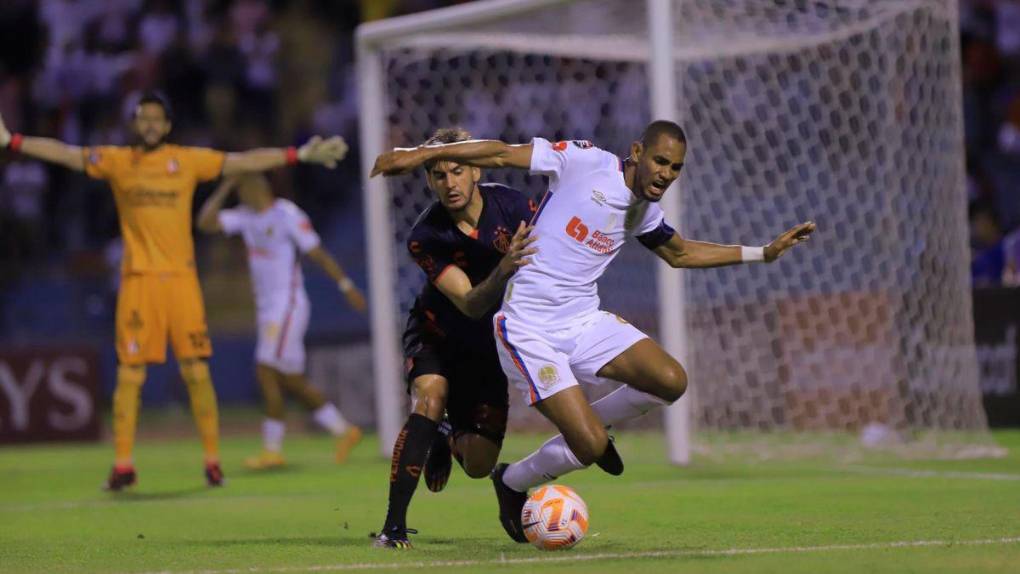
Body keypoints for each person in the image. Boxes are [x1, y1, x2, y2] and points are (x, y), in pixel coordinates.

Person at [371, 120, 815, 542]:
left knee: (670, 381)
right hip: (527, 328)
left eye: (675, 168)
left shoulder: (643, 209)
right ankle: (521, 478)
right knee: (586, 445)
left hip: (583, 320)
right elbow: (503, 153)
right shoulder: (586, 161)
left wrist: (763, 253)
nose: (666, 174)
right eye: (660, 162)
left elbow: (680, 254)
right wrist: (419, 155)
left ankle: (522, 471)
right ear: (637, 152)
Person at [0, 92, 347, 490]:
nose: (149, 124)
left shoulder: (186, 160)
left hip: (181, 282)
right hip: (139, 282)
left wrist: (297, 155)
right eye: (143, 118)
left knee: (196, 371)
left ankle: (213, 463)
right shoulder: (118, 161)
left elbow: (242, 161)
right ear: (135, 123)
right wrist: (13, 142)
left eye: (156, 119)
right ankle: (123, 464)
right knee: (131, 374)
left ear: (166, 126)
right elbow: (66, 153)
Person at [374, 127, 537, 549]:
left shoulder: (515, 206)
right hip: (437, 333)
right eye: (438, 174)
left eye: (458, 170)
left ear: (476, 171)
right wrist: (505, 268)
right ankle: (393, 528)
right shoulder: (425, 236)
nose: (449, 183)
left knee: (480, 465)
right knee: (430, 396)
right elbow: (468, 302)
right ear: (429, 180)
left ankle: (444, 437)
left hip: (486, 348)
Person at [196, 173, 367, 468]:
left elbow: (317, 253)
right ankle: (344, 430)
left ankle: (272, 450)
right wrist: (225, 185)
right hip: (268, 310)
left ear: (258, 187)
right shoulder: (245, 217)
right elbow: (205, 223)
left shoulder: (286, 214)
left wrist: (346, 286)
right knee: (290, 379)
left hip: (286, 306)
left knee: (265, 369)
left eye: (243, 185)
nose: (241, 193)